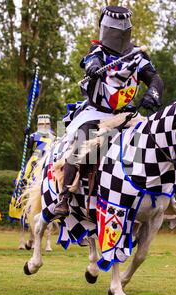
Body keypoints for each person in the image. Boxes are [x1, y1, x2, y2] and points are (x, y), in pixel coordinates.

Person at [54, 5, 164, 216]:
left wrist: (153, 93)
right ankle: (65, 195)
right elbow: (91, 62)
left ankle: (156, 193)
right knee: (82, 139)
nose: (117, 32)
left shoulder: (137, 56)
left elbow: (155, 79)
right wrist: (93, 68)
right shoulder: (97, 51)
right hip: (97, 112)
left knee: (152, 142)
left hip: (126, 115)